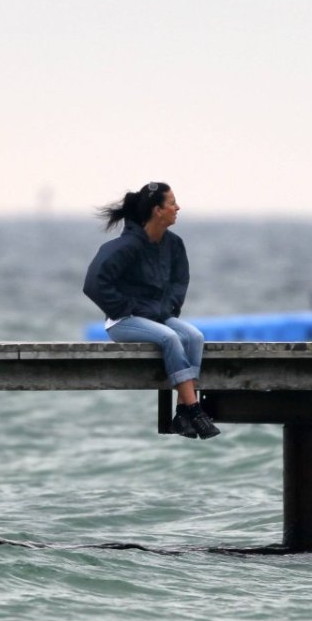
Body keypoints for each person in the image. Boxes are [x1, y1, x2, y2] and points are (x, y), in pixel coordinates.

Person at [83, 182, 220, 439]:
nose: (177, 207)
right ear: (158, 210)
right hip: (123, 322)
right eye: (172, 203)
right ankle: (195, 409)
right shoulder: (126, 246)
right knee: (169, 338)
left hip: (158, 318)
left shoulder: (174, 244)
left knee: (194, 337)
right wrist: (124, 308)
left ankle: (181, 415)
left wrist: (169, 308)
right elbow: (94, 282)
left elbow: (180, 281)